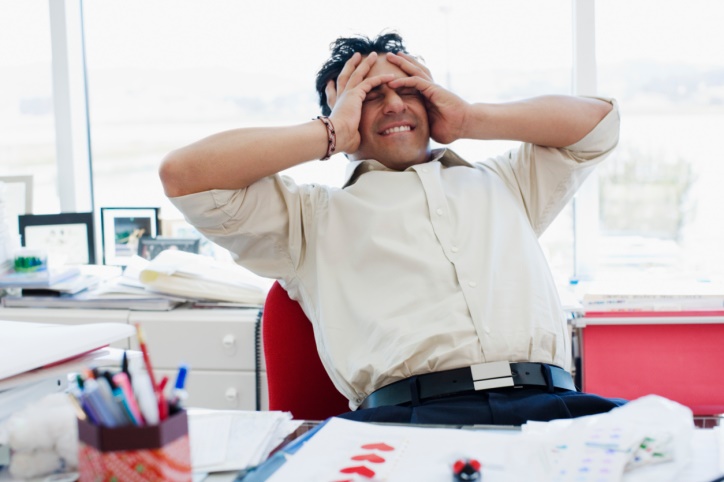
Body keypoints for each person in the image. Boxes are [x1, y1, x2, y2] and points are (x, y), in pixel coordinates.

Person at [159, 32, 624, 425]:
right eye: (370, 96)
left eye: (409, 90)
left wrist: (467, 119)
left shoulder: (507, 182)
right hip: (409, 420)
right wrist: (331, 131)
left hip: (556, 409)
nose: (395, 104)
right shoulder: (309, 217)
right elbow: (184, 174)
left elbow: (598, 125)